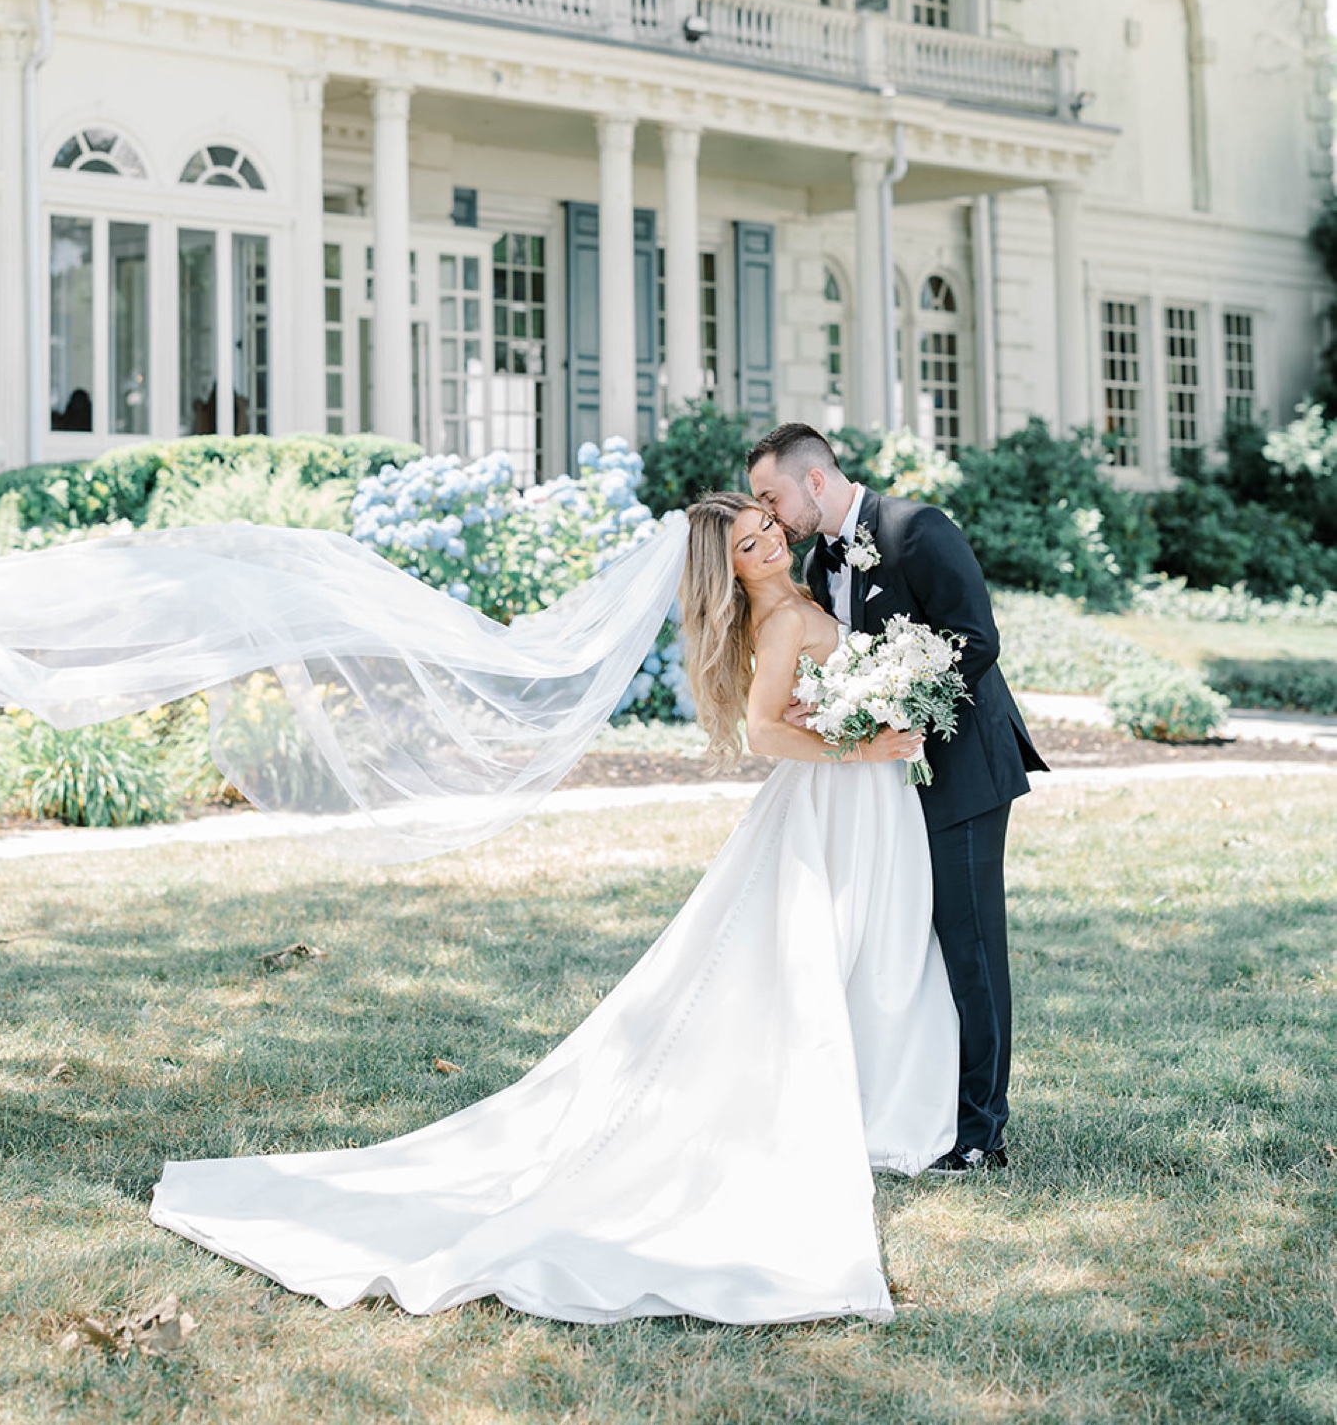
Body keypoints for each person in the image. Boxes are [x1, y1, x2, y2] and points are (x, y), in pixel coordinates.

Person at [149, 494, 959, 1324]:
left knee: (852, 948)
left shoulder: (802, 592)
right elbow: (762, 733)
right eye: (750, 547)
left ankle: (878, 1104)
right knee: (810, 958)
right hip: (832, 798)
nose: (770, 549)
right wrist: (861, 741)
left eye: (766, 530)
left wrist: (866, 705)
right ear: (731, 570)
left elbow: (800, 701)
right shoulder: (781, 620)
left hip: (854, 801)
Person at [747, 421, 1046, 1173]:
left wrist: (887, 706)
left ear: (814, 481)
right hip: (884, 782)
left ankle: (981, 1132)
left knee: (970, 946)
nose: (771, 515)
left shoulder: (918, 529)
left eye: (771, 496)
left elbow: (976, 640)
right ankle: (919, 1100)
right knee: (910, 945)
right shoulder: (819, 556)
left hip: (963, 769)